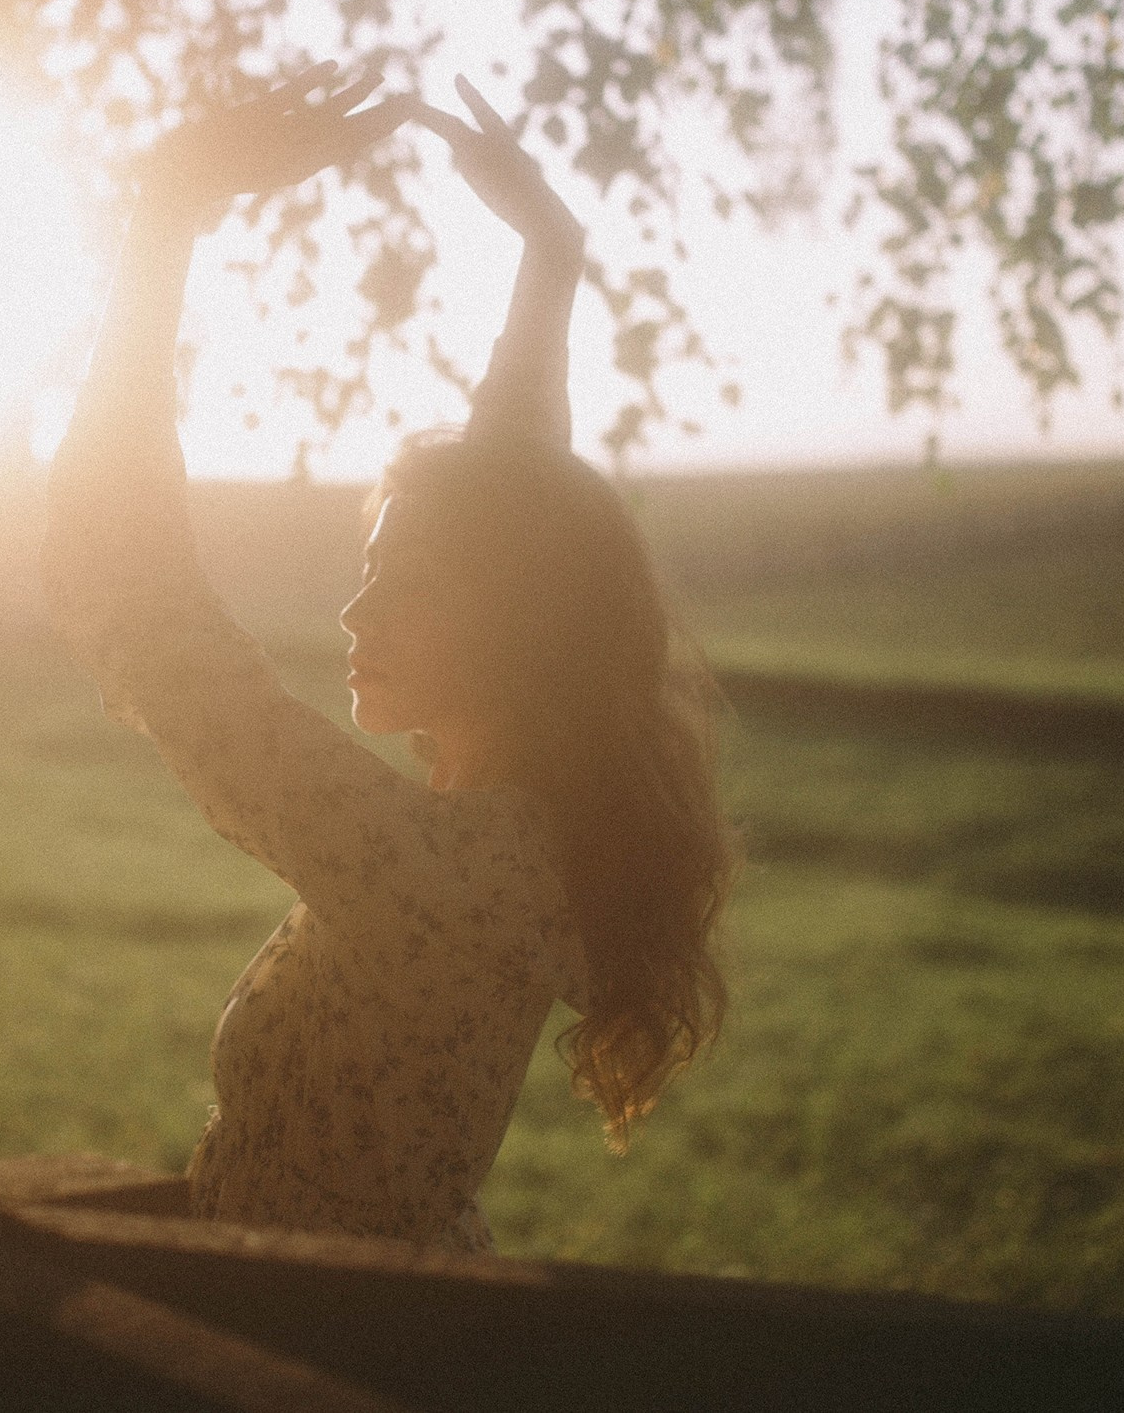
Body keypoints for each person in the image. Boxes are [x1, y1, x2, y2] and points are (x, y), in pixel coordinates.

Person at [43, 65, 738, 1252]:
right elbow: (519, 516)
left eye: (405, 589)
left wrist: (164, 219)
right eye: (368, 568)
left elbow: (142, 598)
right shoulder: (519, 841)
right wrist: (548, 262)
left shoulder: (431, 866)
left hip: (302, 1351)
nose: (355, 611)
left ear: (519, 632)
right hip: (361, 1329)